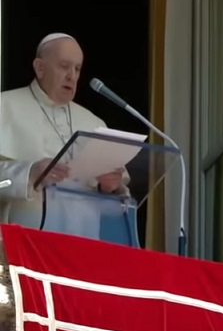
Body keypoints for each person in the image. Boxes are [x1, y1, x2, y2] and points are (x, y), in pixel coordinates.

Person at [0, 32, 128, 228]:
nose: (72, 76)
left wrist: (110, 187)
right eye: (64, 66)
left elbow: (119, 204)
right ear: (40, 68)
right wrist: (29, 173)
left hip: (82, 243)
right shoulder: (5, 107)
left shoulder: (94, 122)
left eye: (77, 69)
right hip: (23, 245)